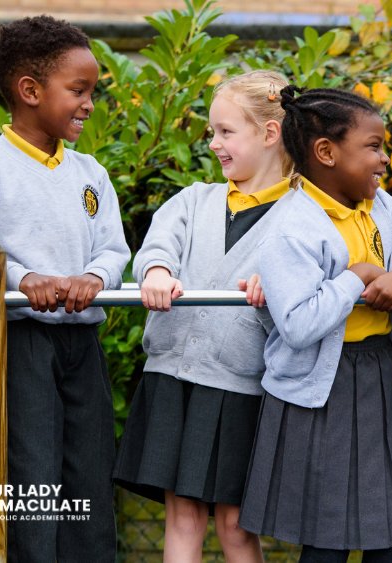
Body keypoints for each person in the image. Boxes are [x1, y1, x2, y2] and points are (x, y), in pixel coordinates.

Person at [0, 15, 128, 561]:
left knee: (90, 473)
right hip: (21, 347)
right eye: (79, 90)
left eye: (91, 91)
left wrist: (94, 279)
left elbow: (115, 250)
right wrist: (27, 280)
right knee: (34, 477)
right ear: (29, 90)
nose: (89, 103)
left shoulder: (91, 173)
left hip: (82, 348)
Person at [112, 70, 292, 562]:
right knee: (183, 514)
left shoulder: (302, 216)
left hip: (241, 386)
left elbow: (313, 276)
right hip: (172, 378)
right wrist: (156, 271)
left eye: (225, 131)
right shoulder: (194, 199)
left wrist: (280, 285)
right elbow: (158, 245)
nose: (213, 143)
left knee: (236, 525)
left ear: (270, 134)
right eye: (213, 131)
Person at [238, 86, 392, 563]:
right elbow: (298, 324)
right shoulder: (289, 228)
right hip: (319, 388)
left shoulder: (386, 209)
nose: (385, 159)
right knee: (326, 539)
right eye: (374, 146)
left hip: (376, 374)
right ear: (326, 153)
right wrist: (355, 278)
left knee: (390, 528)